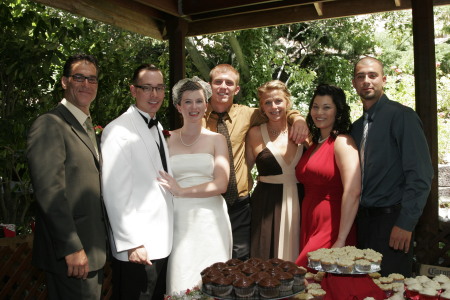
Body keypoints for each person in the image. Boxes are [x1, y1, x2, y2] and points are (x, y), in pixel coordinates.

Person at [204, 64, 308, 260]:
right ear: (210, 86)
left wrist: (299, 118)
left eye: (229, 83)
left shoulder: (248, 114)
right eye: (218, 82)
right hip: (207, 201)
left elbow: (279, 111)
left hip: (240, 204)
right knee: (208, 257)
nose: (223, 87)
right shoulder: (196, 115)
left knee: (243, 260)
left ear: (237, 89)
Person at [27, 53, 107, 299]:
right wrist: (71, 247)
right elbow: (49, 192)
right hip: (73, 255)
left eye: (92, 79)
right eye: (79, 77)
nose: (86, 84)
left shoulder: (86, 126)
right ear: (64, 81)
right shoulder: (50, 124)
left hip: (93, 251)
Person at [351, 56, 433, 277]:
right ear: (354, 83)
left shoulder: (402, 117)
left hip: (393, 224)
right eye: (361, 76)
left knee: (392, 289)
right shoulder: (357, 128)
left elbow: (421, 175)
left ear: (383, 79)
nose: (366, 81)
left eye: (372, 75)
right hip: (363, 224)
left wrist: (406, 223)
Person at [101, 64, 173, 299]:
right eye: (147, 88)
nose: (154, 95)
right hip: (138, 246)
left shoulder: (157, 125)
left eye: (159, 88)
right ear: (133, 90)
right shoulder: (117, 130)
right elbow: (114, 192)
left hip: (161, 240)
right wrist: (132, 243)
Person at [157, 77, 232, 295]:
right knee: (181, 279)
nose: (194, 107)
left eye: (199, 101)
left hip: (212, 219)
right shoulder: (166, 139)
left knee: (213, 280)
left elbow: (221, 184)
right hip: (179, 219)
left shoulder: (217, 139)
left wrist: (181, 190)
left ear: (206, 105)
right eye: (188, 102)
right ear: (178, 106)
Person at [295, 84, 360, 267]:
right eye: (315, 106)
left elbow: (353, 191)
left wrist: (341, 239)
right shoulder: (314, 144)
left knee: (306, 274)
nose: (319, 112)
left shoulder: (342, 142)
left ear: (338, 112)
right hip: (310, 221)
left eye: (326, 107)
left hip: (332, 225)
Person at [246, 80, 303, 261]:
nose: (274, 106)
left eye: (278, 101)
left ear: (287, 102)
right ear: (262, 107)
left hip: (301, 202)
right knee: (266, 260)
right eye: (267, 103)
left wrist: (300, 119)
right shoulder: (254, 133)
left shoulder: (302, 131)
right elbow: (245, 170)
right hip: (266, 205)